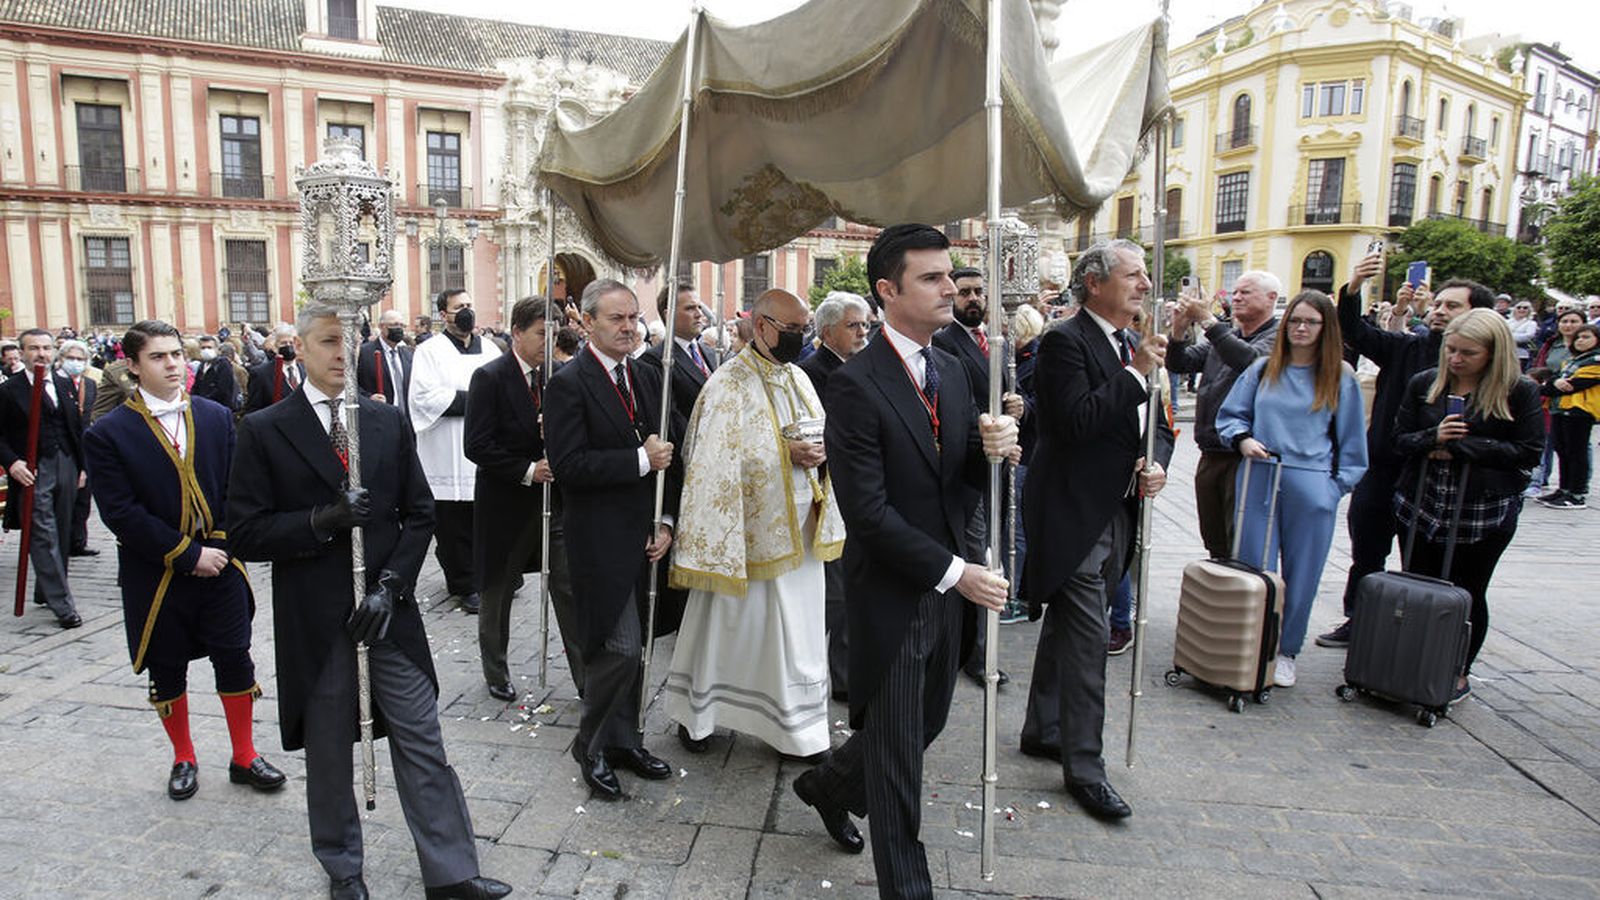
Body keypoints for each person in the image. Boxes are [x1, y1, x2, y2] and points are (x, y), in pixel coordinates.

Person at [227, 303, 511, 900]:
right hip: (317, 621)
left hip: (388, 616)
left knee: (422, 739)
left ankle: (453, 872)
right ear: (298, 349)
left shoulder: (384, 422)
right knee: (329, 753)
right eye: (328, 342)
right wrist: (321, 519)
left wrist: (390, 588)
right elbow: (247, 531)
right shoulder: (265, 428)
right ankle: (343, 868)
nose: (341, 353)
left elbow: (421, 514)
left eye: (349, 341)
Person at [790, 224, 1018, 897]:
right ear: (888, 290)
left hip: (949, 589)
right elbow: (869, 515)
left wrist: (995, 446)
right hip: (893, 593)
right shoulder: (856, 384)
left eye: (951, 275)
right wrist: (958, 572)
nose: (951, 287)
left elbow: (959, 480)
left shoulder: (951, 366)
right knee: (896, 771)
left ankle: (829, 783)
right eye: (931, 278)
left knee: (927, 723)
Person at [83, 320, 285, 801]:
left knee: (234, 656)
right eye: (158, 357)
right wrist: (186, 555)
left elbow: (239, 487)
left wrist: (218, 546)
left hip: (221, 562)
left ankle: (243, 754)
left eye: (176, 354)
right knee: (166, 665)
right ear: (132, 366)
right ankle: (184, 756)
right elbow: (120, 512)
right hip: (156, 571)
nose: (173, 364)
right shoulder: (108, 433)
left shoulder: (215, 416)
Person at [1016, 238, 1172, 821]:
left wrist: (1151, 462)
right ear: (1094, 282)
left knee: (1069, 627)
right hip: (1073, 513)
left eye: (1143, 275)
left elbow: (1143, 425)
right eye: (1133, 275)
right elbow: (1077, 421)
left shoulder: (1129, 342)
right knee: (1088, 642)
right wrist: (1134, 374)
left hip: (1116, 507)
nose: (1145, 284)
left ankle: (1043, 727)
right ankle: (1085, 768)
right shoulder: (1064, 341)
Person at [664, 288, 844, 758]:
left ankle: (795, 729)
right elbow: (708, 459)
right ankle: (698, 716)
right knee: (727, 626)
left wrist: (821, 454)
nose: (799, 338)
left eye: (803, 329)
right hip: (745, 534)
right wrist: (786, 455)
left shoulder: (799, 378)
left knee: (798, 632)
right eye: (791, 330)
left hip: (802, 529)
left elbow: (822, 431)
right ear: (761, 326)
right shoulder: (728, 384)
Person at [542, 279, 682, 801]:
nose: (628, 327)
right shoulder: (568, 383)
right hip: (597, 539)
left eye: (633, 318)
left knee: (641, 649)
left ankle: (626, 740)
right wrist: (640, 459)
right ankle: (591, 743)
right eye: (616, 319)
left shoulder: (646, 376)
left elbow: (672, 453)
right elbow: (570, 465)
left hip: (644, 535)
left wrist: (666, 519)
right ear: (587, 321)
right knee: (618, 648)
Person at [1317, 256, 1495, 649]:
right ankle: (1358, 619)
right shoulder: (1406, 348)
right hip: (1383, 469)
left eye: (1453, 306)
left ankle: (1415, 636)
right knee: (1367, 551)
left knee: (1423, 564)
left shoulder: (1491, 374)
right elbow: (1354, 331)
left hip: (1434, 480)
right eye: (1439, 304)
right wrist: (1354, 287)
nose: (1440, 311)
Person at [1215, 291, 1368, 688]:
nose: (1300, 328)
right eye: (1295, 320)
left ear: (1325, 328)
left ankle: (1286, 651)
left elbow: (1353, 445)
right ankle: (1251, 646)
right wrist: (1242, 440)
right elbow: (1230, 415)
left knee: (1302, 575)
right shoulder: (1265, 369)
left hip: (1311, 482)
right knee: (1253, 567)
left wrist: (1333, 489)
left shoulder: (1340, 377)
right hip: (1260, 476)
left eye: (1311, 322)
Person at [1391, 309, 1543, 702]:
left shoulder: (1518, 390)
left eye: (1467, 353)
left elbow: (1528, 452)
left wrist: (1463, 447)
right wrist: (1432, 438)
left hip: (1482, 508)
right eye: (1451, 350)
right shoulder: (1426, 382)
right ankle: (1411, 664)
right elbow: (1399, 439)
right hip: (1423, 501)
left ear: (1493, 354)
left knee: (1468, 590)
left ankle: (1457, 670)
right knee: (1418, 584)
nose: (1456, 359)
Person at [464, 297, 578, 701]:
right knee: (497, 591)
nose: (549, 341)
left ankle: (584, 675)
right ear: (517, 333)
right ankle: (496, 670)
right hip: (506, 505)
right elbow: (476, 445)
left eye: (553, 333)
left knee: (567, 586)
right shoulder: (490, 378)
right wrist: (528, 470)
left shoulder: (560, 376)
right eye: (540, 333)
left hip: (554, 505)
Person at [932, 266, 1025, 687]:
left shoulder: (996, 343)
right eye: (965, 292)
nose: (973, 299)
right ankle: (973, 652)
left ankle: (974, 644)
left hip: (999, 465)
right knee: (977, 559)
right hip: (966, 472)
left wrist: (1019, 415)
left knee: (993, 554)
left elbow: (1013, 399)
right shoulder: (943, 343)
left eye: (978, 292)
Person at [1165, 271, 1281, 561]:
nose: (1237, 297)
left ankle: (1240, 598)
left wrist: (1207, 320)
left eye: (1246, 292)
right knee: (1215, 538)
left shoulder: (1278, 338)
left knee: (1240, 541)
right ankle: (1218, 595)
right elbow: (1181, 362)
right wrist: (1178, 331)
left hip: (1243, 455)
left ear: (1271, 299)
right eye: (1236, 292)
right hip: (1210, 451)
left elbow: (1249, 361)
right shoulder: (1228, 333)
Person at [410, 288, 501, 615]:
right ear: (443, 314)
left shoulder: (490, 349)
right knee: (452, 523)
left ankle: (485, 576)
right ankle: (463, 583)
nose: (466, 311)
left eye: (469, 305)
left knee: (483, 519)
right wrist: (476, 402)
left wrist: (473, 402)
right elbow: (424, 397)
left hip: (481, 449)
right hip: (445, 450)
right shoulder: (429, 351)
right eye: (458, 307)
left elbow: (501, 390)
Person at [800, 290, 873, 697]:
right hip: (828, 492)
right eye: (853, 325)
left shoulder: (862, 366)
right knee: (837, 594)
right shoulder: (813, 372)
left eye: (865, 324)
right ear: (828, 331)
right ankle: (839, 678)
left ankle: (845, 672)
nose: (863, 332)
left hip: (855, 491)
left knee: (849, 589)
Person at [0, 329, 86, 628]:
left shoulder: (64, 384)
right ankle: (63, 604)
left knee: (62, 531)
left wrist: (82, 466)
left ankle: (45, 590)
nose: (41, 353)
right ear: (22, 352)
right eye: (34, 348)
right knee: (43, 533)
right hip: (32, 469)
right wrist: (12, 463)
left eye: (47, 348)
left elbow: (76, 427)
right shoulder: (9, 390)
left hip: (66, 463)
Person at [1536, 324, 1600, 508]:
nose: (1580, 340)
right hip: (1559, 408)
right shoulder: (1573, 360)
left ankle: (1577, 493)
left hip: (1580, 410)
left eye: (1586, 337)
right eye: (1578, 337)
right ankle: (1564, 489)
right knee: (1562, 450)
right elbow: (1551, 384)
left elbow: (1575, 385)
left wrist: (1556, 384)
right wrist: (1556, 382)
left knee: (1576, 452)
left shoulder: (1595, 360)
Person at [56, 339, 100, 557]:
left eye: (80, 359)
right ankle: (60, 542)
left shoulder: (89, 384)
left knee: (83, 499)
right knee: (63, 501)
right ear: (61, 359)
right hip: (63, 448)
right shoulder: (54, 383)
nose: (75, 363)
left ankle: (78, 542)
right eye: (71, 358)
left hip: (85, 446)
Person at [358, 309, 413, 416]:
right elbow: (352, 385)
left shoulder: (408, 354)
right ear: (382, 326)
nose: (399, 329)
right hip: (378, 416)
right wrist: (368, 398)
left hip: (406, 418)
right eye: (395, 325)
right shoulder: (364, 353)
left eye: (402, 325)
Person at [244, 325, 305, 413]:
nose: (288, 346)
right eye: (283, 343)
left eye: (291, 343)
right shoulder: (261, 374)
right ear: (275, 347)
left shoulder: (307, 371)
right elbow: (254, 409)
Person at [191, 334, 239, 411]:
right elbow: (196, 386)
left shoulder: (223, 364)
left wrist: (204, 401)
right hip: (203, 408)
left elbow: (223, 390)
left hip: (219, 408)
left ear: (217, 349)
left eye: (209, 347)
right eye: (203, 348)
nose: (206, 350)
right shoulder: (202, 365)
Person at [1508, 300, 1539, 371]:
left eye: (1525, 308)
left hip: (1521, 354)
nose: (1521, 309)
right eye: (1519, 307)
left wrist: (1508, 336)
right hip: (1506, 353)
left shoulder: (1531, 323)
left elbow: (1528, 336)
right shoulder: (1507, 322)